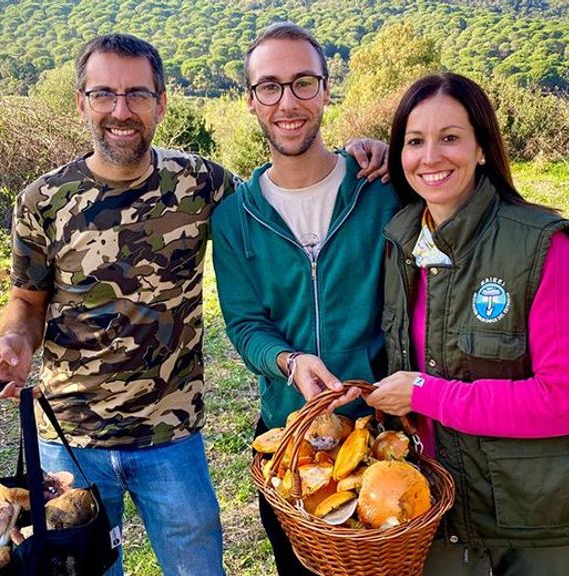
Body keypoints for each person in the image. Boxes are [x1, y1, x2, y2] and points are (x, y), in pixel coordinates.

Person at [0, 33, 388, 575]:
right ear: (81, 101)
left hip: (171, 435)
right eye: (104, 94)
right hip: (67, 435)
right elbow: (26, 299)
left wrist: (369, 151)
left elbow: (286, 187)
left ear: (161, 101)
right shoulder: (42, 200)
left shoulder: (200, 184)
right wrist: (15, 338)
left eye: (137, 95)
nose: (120, 111)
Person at [364, 73, 569, 575]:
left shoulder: (540, 246)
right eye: (414, 141)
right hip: (435, 507)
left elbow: (563, 404)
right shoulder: (399, 241)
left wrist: (425, 393)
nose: (430, 158)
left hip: (531, 513)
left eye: (450, 138)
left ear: (483, 148)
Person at [211, 23, 400, 576]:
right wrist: (289, 361)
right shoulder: (235, 218)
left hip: (387, 431)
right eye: (269, 86)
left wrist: (395, 152)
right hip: (291, 443)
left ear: (325, 89)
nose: (287, 102)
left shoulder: (382, 192)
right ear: (250, 101)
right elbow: (245, 324)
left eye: (302, 83)